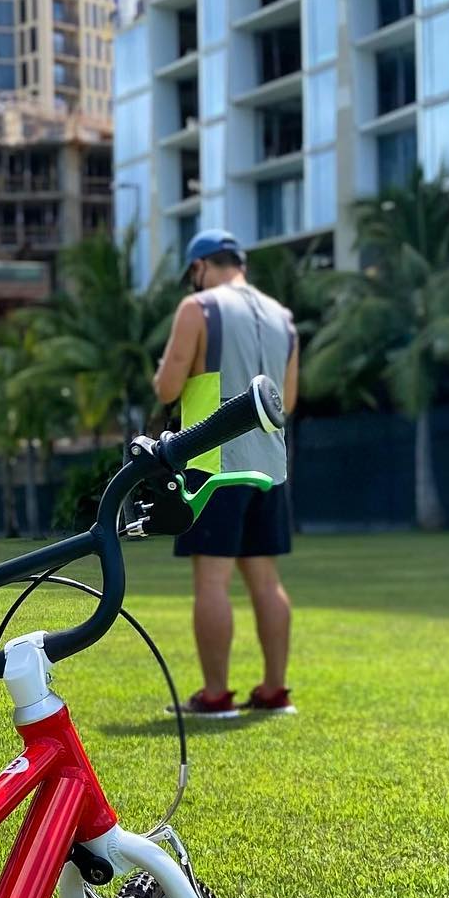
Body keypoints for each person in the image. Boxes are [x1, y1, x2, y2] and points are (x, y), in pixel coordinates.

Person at [153, 228, 299, 717]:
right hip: (270, 465)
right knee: (265, 580)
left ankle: (216, 695)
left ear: (199, 268)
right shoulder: (283, 318)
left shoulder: (199, 309)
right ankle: (274, 690)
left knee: (212, 582)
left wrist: (164, 371)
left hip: (213, 464)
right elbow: (289, 401)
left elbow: (168, 387)